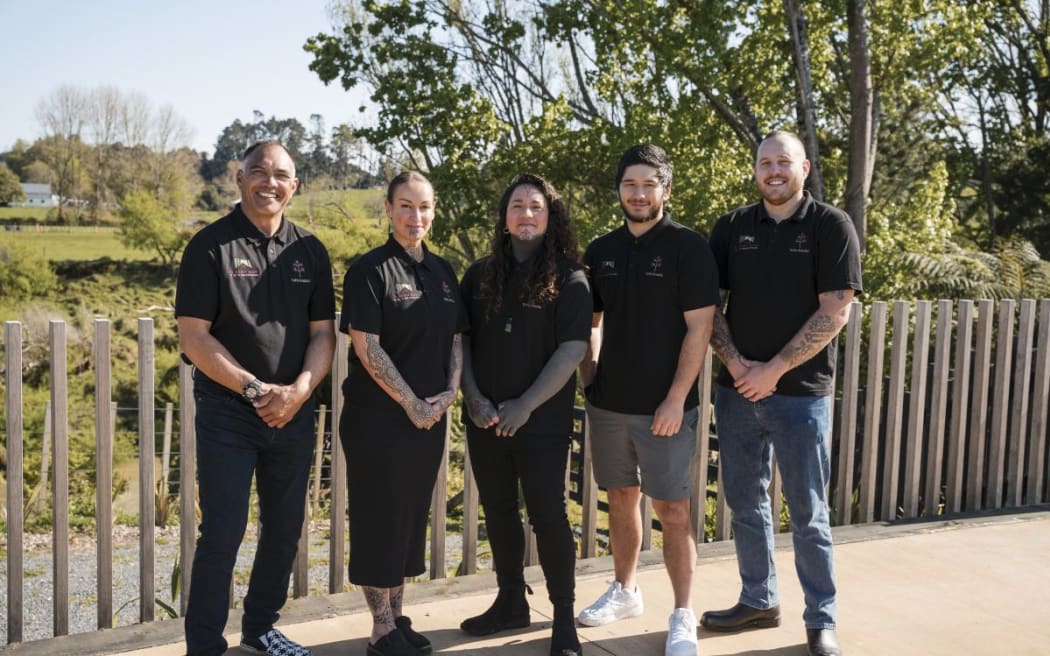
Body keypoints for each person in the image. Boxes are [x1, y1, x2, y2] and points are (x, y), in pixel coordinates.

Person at [700, 130, 862, 656]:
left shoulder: (831, 226)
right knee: (745, 503)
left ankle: (821, 619)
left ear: (804, 168)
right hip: (736, 392)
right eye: (765, 162)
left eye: (783, 162)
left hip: (801, 397)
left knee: (808, 512)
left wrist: (774, 370)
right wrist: (736, 364)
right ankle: (758, 600)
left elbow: (836, 309)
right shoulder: (731, 227)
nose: (773, 171)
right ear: (755, 170)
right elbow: (707, 305)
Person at [176, 140, 336, 656]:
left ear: (295, 186)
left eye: (281, 175)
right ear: (239, 178)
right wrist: (254, 389)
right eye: (259, 172)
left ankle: (260, 628)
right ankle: (205, 645)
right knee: (223, 531)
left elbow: (323, 334)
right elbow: (194, 337)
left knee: (285, 528)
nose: (270, 182)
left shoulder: (310, 251)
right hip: (229, 413)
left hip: (293, 412)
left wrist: (300, 390)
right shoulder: (209, 246)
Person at [578, 144, 719, 656]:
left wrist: (676, 399)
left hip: (667, 408)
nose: (638, 194)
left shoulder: (689, 248)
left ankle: (682, 615)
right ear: (619, 190)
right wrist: (590, 377)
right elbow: (591, 321)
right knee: (620, 499)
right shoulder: (601, 251)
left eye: (648, 184)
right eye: (629, 184)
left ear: (666, 189)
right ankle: (625, 591)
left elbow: (700, 328)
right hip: (609, 404)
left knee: (674, 510)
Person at [457, 173, 592, 656]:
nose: (526, 214)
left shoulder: (571, 278)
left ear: (551, 216)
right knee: (498, 511)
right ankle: (511, 601)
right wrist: (473, 398)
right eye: (517, 206)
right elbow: (461, 341)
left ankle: (563, 619)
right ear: (505, 217)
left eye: (536, 206)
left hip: (542, 424)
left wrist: (526, 405)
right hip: (485, 420)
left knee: (548, 516)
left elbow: (572, 350)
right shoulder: (479, 275)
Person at [339, 171, 466, 656]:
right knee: (379, 518)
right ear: (389, 209)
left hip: (428, 419)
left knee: (408, 519)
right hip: (379, 421)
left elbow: (457, 338)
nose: (417, 216)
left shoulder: (443, 272)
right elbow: (367, 346)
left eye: (425, 206)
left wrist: (450, 391)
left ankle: (396, 617)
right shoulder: (370, 271)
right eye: (406, 206)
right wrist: (412, 403)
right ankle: (379, 629)